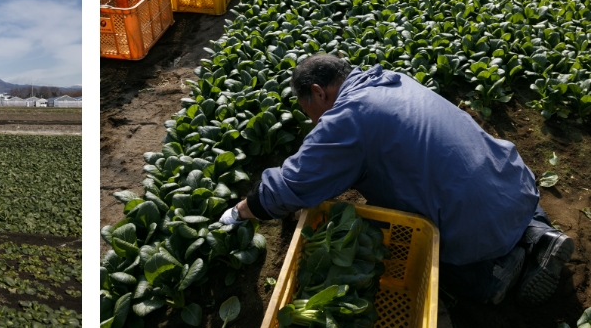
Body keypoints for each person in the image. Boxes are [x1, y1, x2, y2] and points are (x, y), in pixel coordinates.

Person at [219, 54, 574, 306]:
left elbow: (292, 186)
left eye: (309, 111)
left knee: (426, 260)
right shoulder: (391, 79)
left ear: (319, 92)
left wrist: (240, 211)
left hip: (474, 221)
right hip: (513, 182)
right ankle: (539, 236)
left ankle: (500, 271)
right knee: (482, 194)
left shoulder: (347, 120)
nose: (314, 123)